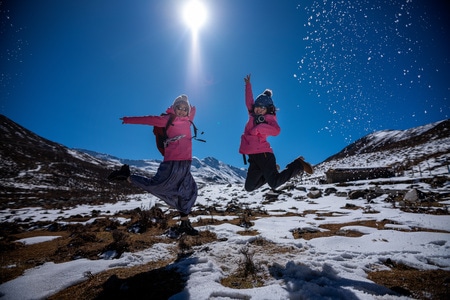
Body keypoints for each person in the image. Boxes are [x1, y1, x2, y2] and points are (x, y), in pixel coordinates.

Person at [108, 94, 199, 236]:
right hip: (172, 164)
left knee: (189, 192)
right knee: (157, 186)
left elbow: (194, 109)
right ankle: (128, 176)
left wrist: (186, 99)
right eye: (178, 107)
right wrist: (128, 120)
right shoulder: (167, 120)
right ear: (174, 108)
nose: (181, 110)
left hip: (185, 165)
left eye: (184, 108)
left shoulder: (188, 120)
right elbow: (148, 119)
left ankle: (185, 224)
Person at [239, 74, 313, 192]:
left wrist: (258, 128)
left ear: (267, 109)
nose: (258, 109)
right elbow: (249, 101)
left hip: (264, 154)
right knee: (249, 187)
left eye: (262, 107)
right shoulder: (252, 115)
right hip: (253, 157)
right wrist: (248, 85)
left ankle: (298, 165)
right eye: (257, 106)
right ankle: (271, 170)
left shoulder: (269, 119)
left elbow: (276, 131)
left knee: (274, 183)